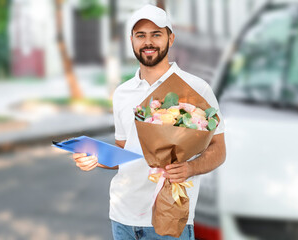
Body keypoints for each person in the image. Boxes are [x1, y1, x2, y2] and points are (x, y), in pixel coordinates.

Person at [72, 4, 226, 239]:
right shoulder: (122, 93)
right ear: (131, 40)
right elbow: (125, 153)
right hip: (123, 216)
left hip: (170, 216)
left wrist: (190, 168)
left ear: (170, 38)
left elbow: (219, 149)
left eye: (156, 34)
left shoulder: (196, 88)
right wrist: (95, 157)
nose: (148, 42)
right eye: (141, 35)